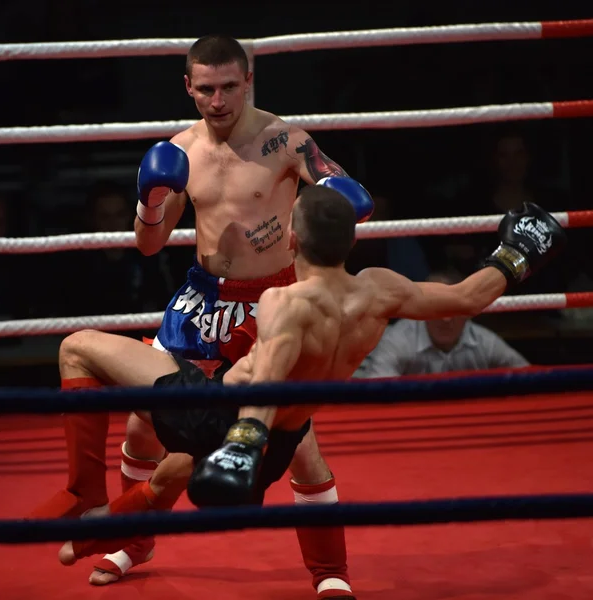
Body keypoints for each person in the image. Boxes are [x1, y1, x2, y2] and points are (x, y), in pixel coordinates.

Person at [55, 186, 565, 600]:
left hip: (221, 416)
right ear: (351, 242)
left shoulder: (285, 301)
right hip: (283, 436)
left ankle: (86, 500)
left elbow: (271, 370)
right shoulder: (381, 290)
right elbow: (467, 297)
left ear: (293, 242)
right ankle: (99, 542)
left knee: (78, 347)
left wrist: (241, 441)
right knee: (167, 479)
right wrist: (515, 254)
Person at [30, 34, 373, 597]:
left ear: (249, 81)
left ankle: (328, 572)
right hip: (203, 299)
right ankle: (134, 541)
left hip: (270, 302)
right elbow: (148, 244)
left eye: (229, 87)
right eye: (206, 89)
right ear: (188, 87)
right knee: (142, 424)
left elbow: (353, 196)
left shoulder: (285, 141)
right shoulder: (180, 151)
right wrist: (150, 202)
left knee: (297, 443)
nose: (218, 100)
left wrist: (338, 195)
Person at [354, 268, 530, 378]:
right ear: (425, 309)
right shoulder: (399, 340)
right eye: (441, 309)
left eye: (454, 310)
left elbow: (529, 376)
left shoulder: (484, 342)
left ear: (469, 313)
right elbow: (377, 389)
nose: (446, 319)